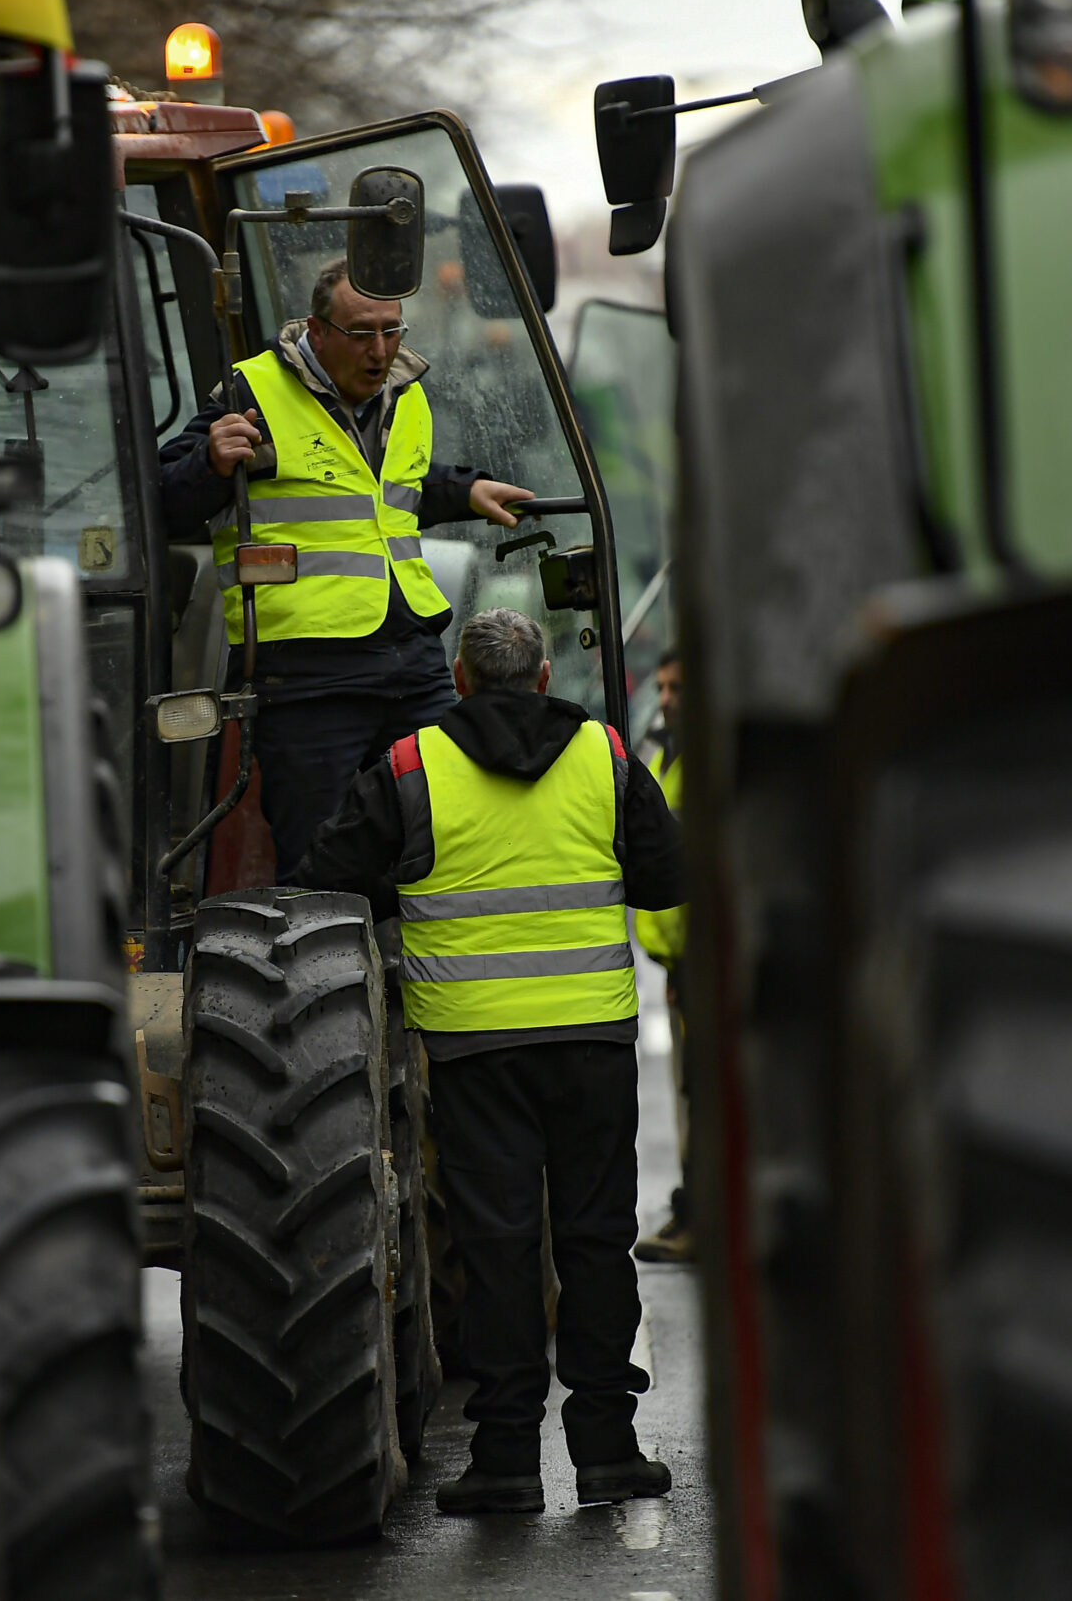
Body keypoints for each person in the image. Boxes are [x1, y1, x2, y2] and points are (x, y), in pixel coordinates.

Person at [298, 608, 685, 1515]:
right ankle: (607, 1450)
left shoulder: (410, 766)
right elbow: (668, 878)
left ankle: (507, 1461)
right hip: (592, 1040)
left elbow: (327, 875)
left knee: (500, 1250)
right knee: (594, 1242)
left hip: (474, 1052)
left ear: (461, 680)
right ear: (544, 676)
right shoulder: (608, 757)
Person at [160, 257, 535, 877]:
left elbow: (383, 491)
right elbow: (163, 500)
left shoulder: (407, 394)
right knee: (322, 863)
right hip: (307, 674)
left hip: (411, 661)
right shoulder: (252, 392)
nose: (380, 349)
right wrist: (211, 462)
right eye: (362, 333)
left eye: (392, 331)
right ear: (318, 329)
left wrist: (463, 490)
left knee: (455, 833)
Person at [632, 649, 693, 1264]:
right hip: (678, 960)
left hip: (702, 957)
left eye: (679, 687)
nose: (667, 697)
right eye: (663, 686)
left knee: (702, 1089)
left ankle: (700, 1213)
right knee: (689, 1092)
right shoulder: (660, 750)